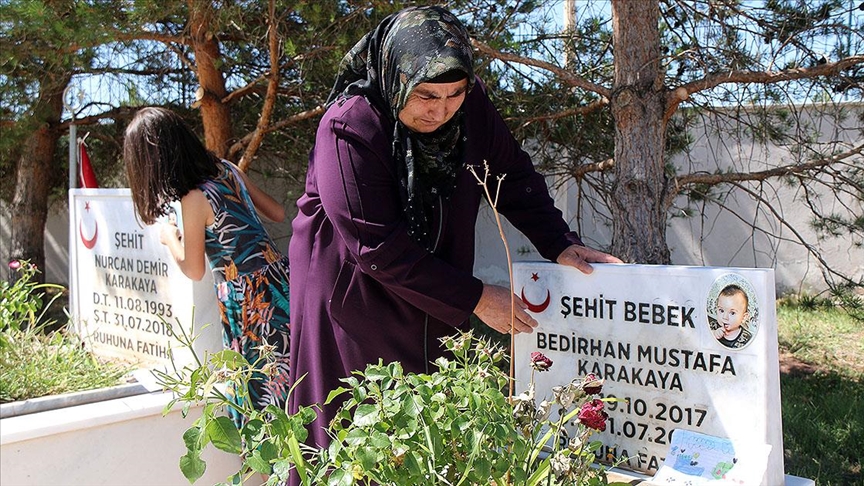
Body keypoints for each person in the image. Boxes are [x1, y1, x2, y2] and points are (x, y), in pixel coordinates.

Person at [287, 5, 621, 453]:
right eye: (425, 95)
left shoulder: (470, 106)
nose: (440, 111)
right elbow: (377, 246)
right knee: (358, 429)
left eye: (455, 94)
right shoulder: (350, 126)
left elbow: (511, 173)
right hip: (353, 293)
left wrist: (559, 243)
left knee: (431, 425)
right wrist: (478, 297)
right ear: (396, 76)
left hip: (435, 281)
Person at [123, 107, 291, 424]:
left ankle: (271, 468)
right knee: (290, 374)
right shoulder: (226, 169)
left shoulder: (193, 198)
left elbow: (194, 269)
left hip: (246, 299)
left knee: (257, 389)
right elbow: (278, 213)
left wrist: (171, 238)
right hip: (280, 279)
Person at [711, 284, 753, 348]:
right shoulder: (713, 326)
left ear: (744, 317)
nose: (725, 317)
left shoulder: (747, 339)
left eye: (732, 313)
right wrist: (713, 334)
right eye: (721, 311)